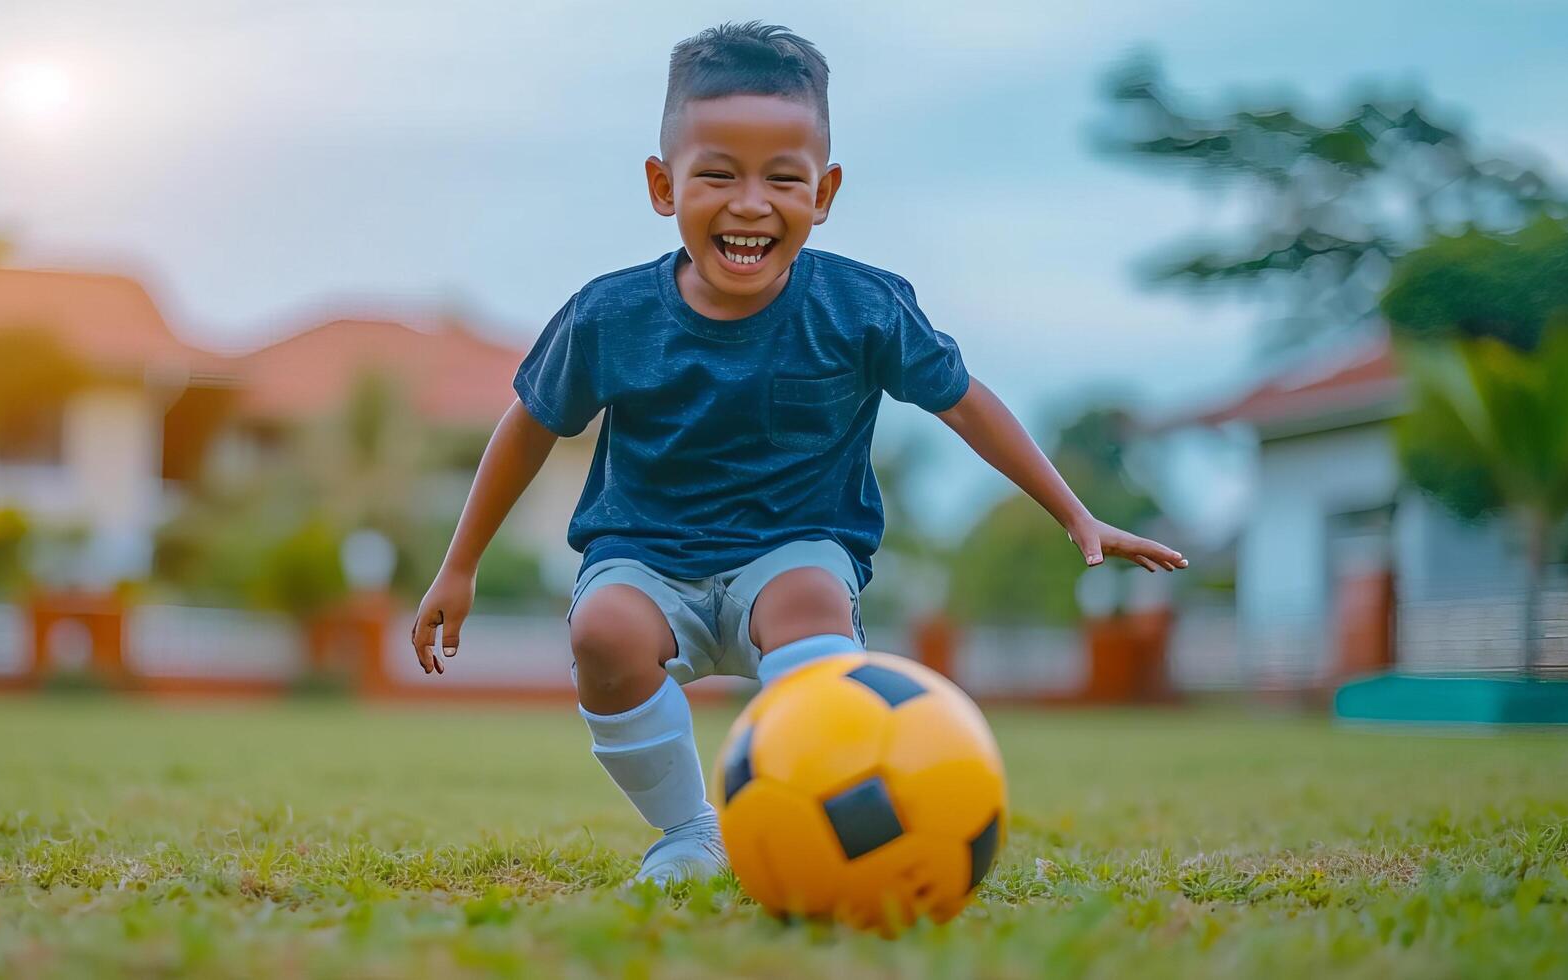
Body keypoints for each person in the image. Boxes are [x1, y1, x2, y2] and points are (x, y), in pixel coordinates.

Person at [408, 21, 1185, 886]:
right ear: (664, 187)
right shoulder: (608, 316)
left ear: (825, 191)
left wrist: (1072, 510)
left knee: (811, 596)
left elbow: (965, 407)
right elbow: (528, 424)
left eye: (783, 177)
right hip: (643, 559)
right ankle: (690, 834)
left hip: (793, 552)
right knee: (600, 630)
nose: (750, 203)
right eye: (717, 175)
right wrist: (459, 565)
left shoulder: (861, 307)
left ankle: (819, 830)